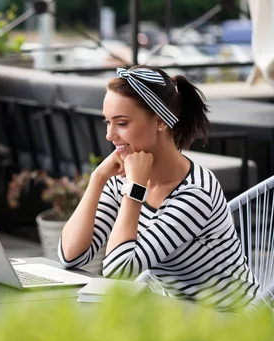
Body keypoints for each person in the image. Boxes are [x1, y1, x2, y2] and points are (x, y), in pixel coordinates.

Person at [58, 65, 259, 311]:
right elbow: (71, 256)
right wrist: (98, 179)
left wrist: (135, 189)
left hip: (232, 323)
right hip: (178, 315)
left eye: (121, 123)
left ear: (160, 121)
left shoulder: (195, 194)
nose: (110, 135)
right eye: (107, 122)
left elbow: (117, 272)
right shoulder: (123, 178)